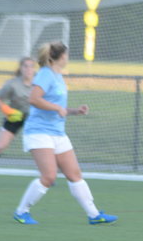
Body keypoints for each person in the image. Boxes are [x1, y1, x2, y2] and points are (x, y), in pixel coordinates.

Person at [13, 41, 117, 225]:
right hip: (39, 132)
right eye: (66, 55)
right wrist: (56, 108)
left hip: (58, 133)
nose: (67, 58)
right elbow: (34, 99)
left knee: (74, 174)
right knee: (49, 176)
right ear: (59, 57)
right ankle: (21, 212)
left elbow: (57, 107)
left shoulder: (58, 76)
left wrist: (75, 111)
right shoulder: (45, 74)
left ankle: (94, 215)